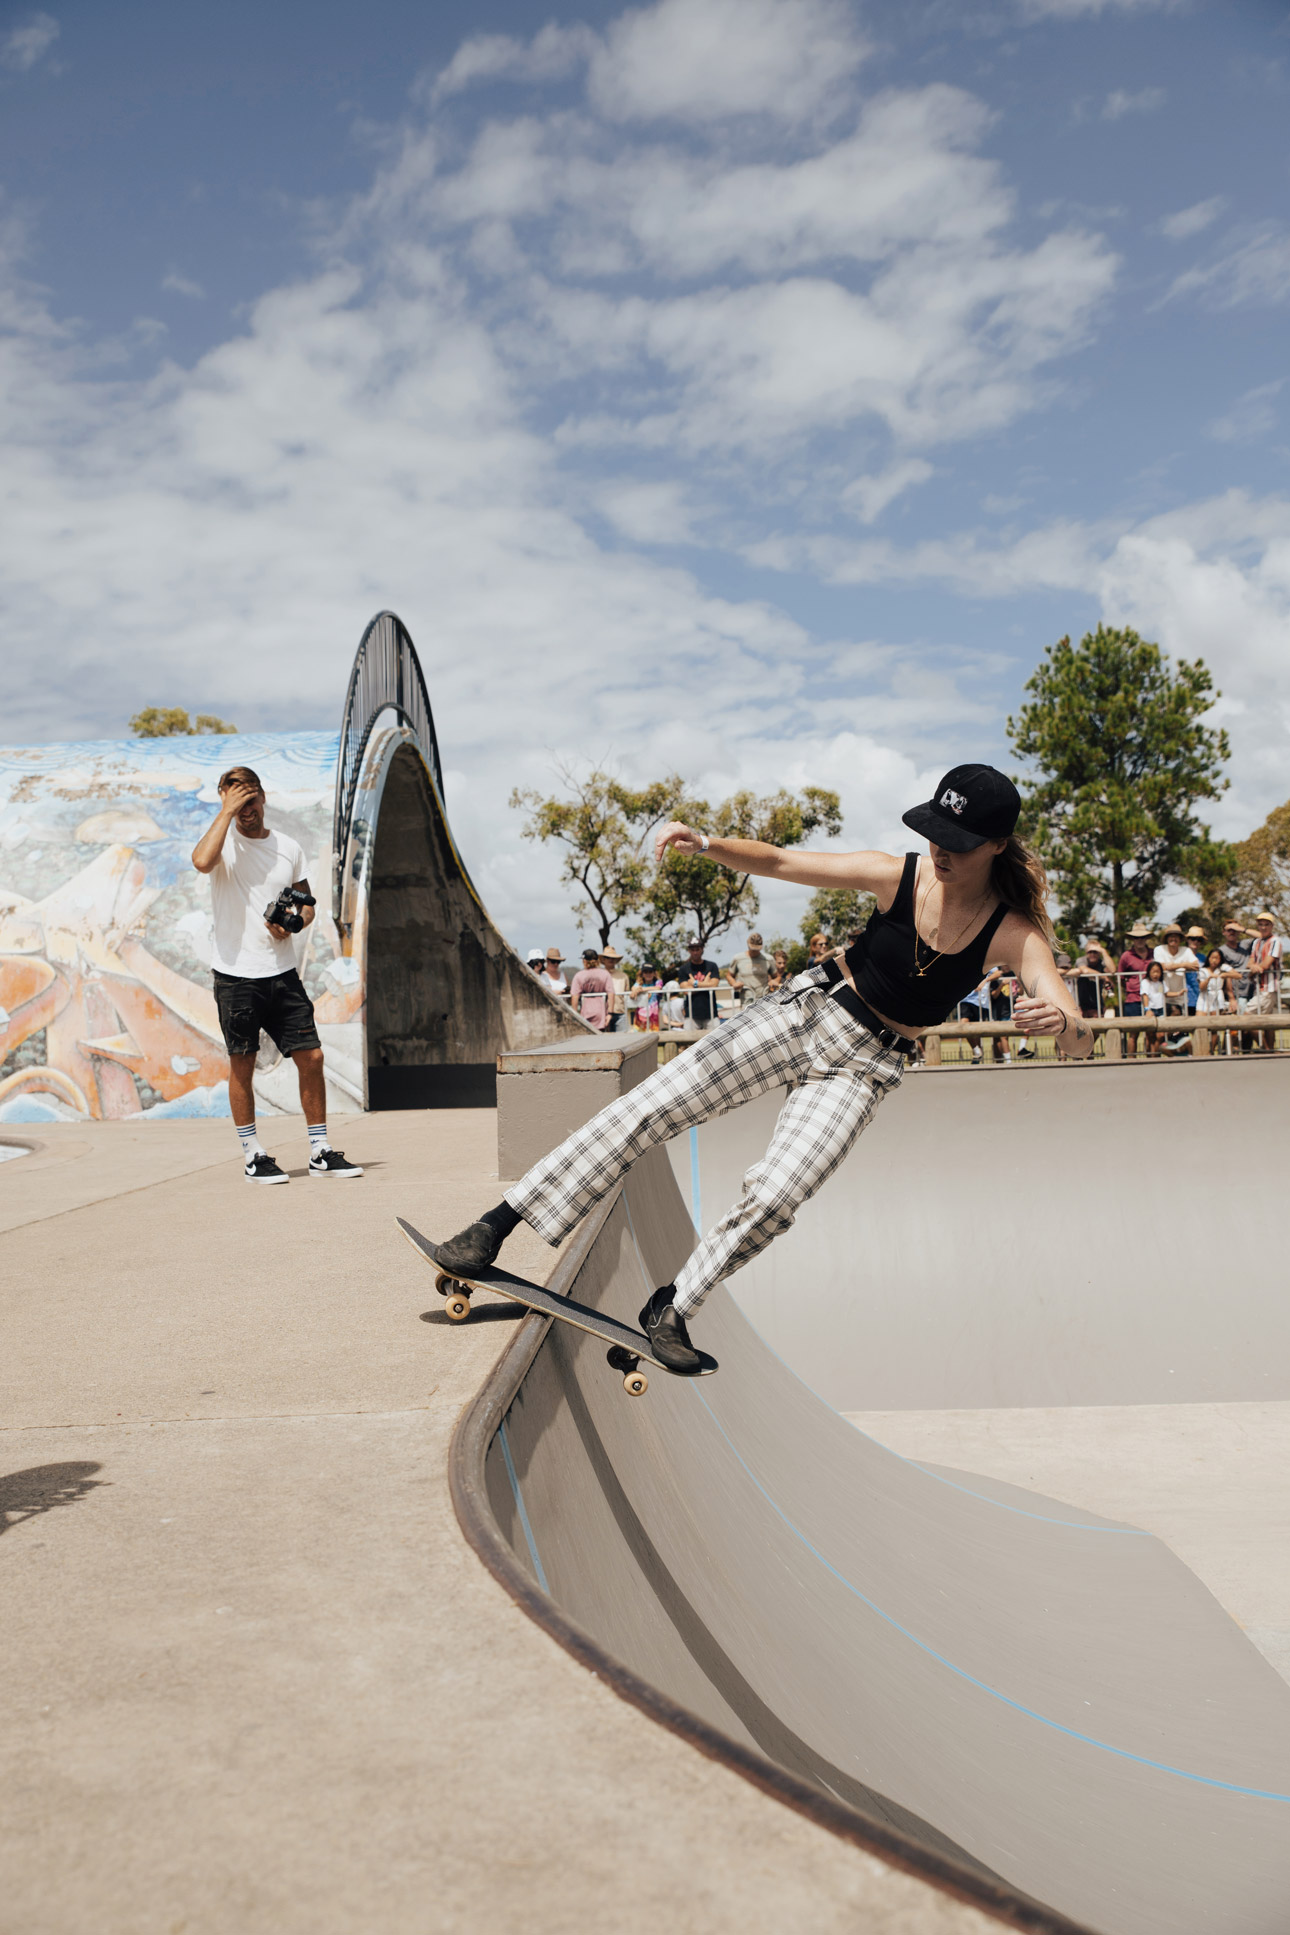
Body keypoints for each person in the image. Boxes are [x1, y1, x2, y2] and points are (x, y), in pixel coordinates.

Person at [429, 762, 1090, 1374]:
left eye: (959, 841)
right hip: (803, 1012)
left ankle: (674, 1307)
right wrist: (708, 842)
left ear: (998, 844)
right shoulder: (901, 874)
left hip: (862, 1069)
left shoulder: (1014, 932)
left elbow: (1074, 1027)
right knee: (651, 1106)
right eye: (934, 834)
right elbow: (781, 860)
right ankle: (497, 1224)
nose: (941, 850)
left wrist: (1063, 1022)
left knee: (777, 1196)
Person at [191, 766, 362, 1184]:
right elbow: (200, 861)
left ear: (263, 798)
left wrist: (296, 922)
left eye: (249, 799)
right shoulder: (222, 843)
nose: (245, 809)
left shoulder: (288, 847)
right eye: (235, 801)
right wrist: (226, 812)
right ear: (223, 800)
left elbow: (307, 902)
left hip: (282, 973)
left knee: (312, 1056)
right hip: (235, 975)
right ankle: (253, 1155)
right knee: (242, 1065)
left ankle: (320, 1151)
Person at [1154, 924, 1200, 1053]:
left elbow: (1196, 965)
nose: (1173, 939)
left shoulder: (1185, 950)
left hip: (1180, 997)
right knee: (1160, 1030)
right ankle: (1154, 1056)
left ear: (1180, 939)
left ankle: (1180, 1054)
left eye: (1176, 936)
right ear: (1166, 938)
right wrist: (1184, 965)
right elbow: (1160, 966)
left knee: (1180, 1029)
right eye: (1170, 936)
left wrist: (1171, 966)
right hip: (1162, 996)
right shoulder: (1159, 949)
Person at [1247, 911, 1283, 1053]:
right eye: (1260, 924)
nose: (1263, 927)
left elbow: (1266, 964)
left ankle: (1266, 1048)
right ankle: (1269, 1050)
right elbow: (1250, 962)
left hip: (1269, 986)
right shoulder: (1256, 942)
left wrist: (1255, 968)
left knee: (1247, 1017)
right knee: (1268, 1021)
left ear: (1272, 926)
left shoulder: (1275, 941)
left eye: (1266, 924)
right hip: (1259, 986)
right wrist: (1254, 967)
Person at [1118, 921, 1154, 1060]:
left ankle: (1152, 1059)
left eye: (1142, 937)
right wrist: (1130, 986)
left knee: (1151, 1031)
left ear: (1146, 939)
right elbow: (1120, 976)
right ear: (1133, 939)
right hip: (1133, 998)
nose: (1139, 940)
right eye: (1137, 938)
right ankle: (1131, 1061)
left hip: (1151, 997)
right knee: (1133, 1032)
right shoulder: (1126, 956)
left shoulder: (1153, 954)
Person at [668, 936, 722, 1029]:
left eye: (697, 949)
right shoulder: (683, 969)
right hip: (691, 1015)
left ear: (702, 949)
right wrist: (705, 984)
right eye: (692, 950)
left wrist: (695, 983)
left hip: (711, 1013)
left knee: (716, 1041)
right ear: (689, 951)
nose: (695, 952)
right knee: (690, 1042)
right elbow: (685, 990)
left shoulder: (712, 966)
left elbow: (714, 985)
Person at [1219, 918, 1253, 1055]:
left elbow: (1262, 936)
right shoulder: (1222, 951)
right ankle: (1226, 1054)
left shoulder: (1245, 945)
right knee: (1233, 1028)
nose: (1232, 932)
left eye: (1234, 930)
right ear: (1224, 933)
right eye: (1229, 930)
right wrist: (1231, 997)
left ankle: (1246, 1053)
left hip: (1250, 991)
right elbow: (1226, 974)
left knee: (1249, 1027)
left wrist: (1242, 929)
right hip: (1235, 993)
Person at [569, 947, 615, 1030]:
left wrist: (574, 1016)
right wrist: (610, 1013)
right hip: (601, 1013)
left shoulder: (579, 976)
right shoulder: (605, 974)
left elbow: (575, 997)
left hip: (585, 1013)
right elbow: (611, 993)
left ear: (584, 961)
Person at [1198, 946, 1233, 1054]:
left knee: (1215, 1028)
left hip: (1217, 998)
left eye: (1217, 958)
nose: (1214, 960)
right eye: (1212, 957)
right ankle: (1201, 1050)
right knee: (1200, 1024)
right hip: (1205, 998)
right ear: (1208, 958)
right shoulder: (1203, 970)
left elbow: (1238, 975)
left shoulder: (1223, 968)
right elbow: (1201, 987)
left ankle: (1211, 1050)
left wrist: (1225, 974)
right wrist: (1209, 978)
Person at [725, 931, 771, 1008]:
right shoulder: (738, 958)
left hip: (764, 1001)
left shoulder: (768, 959)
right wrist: (734, 983)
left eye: (757, 949)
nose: (755, 952)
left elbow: (776, 976)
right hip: (746, 1001)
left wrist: (774, 981)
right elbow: (729, 975)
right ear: (747, 944)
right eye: (752, 949)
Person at [1141, 958, 1167, 1054]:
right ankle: (1150, 1055)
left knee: (1160, 1035)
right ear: (1149, 972)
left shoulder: (1161, 983)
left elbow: (1166, 993)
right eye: (1153, 972)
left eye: (1158, 972)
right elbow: (1145, 995)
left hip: (1160, 1010)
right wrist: (1147, 1009)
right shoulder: (1146, 982)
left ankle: (1156, 1054)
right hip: (1151, 1010)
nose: (1155, 974)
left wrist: (1179, 993)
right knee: (1150, 1035)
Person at [600, 945, 629, 1031]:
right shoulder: (599, 975)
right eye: (608, 957)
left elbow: (626, 994)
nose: (610, 959)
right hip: (603, 1013)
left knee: (622, 1040)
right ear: (603, 959)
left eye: (613, 958)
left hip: (620, 1012)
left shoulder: (623, 976)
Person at [629, 963, 663, 1032]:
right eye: (645, 972)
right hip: (639, 1019)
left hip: (653, 1020)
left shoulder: (658, 982)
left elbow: (658, 988)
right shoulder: (640, 983)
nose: (648, 974)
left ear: (654, 973)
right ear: (642, 974)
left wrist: (642, 989)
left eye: (650, 972)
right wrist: (635, 990)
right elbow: (633, 988)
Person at [1184, 928, 1207, 1014]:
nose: (1196, 942)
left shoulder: (1203, 958)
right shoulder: (1181, 955)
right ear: (1188, 940)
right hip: (1186, 996)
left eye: (1199, 939)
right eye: (1193, 939)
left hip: (1200, 995)